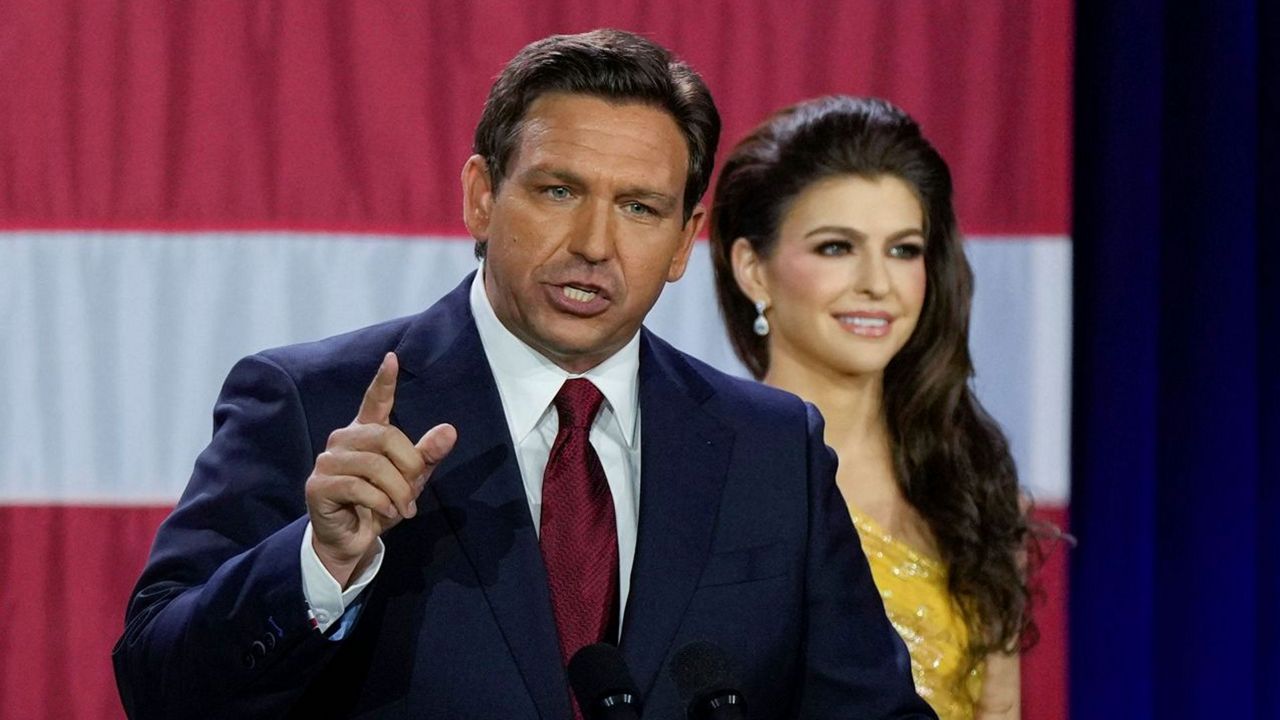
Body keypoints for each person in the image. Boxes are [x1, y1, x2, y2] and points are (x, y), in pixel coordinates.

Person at [112, 32, 936, 719]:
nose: (594, 243)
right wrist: (318, 563)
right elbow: (157, 685)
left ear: (687, 240)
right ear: (481, 196)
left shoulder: (770, 447)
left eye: (640, 207)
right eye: (557, 190)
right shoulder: (312, 405)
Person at [710, 95, 1038, 720]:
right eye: (837, 247)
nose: (877, 283)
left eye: (904, 249)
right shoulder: (706, 482)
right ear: (753, 269)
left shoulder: (969, 488)